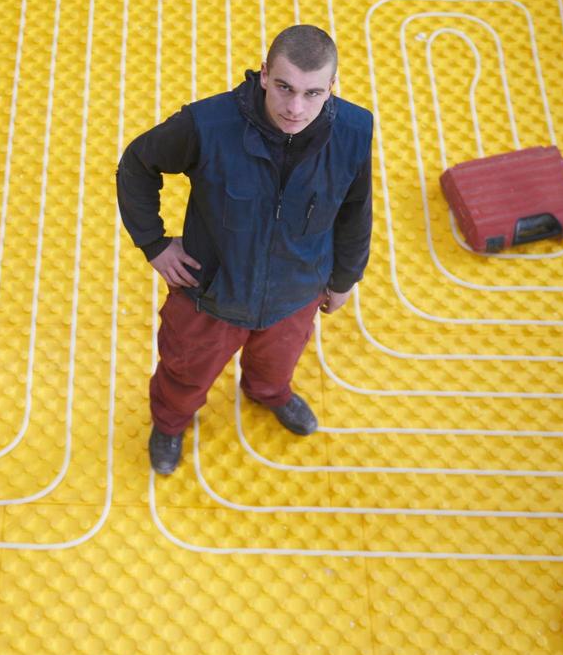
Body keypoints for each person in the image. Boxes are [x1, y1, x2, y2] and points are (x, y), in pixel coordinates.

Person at [116, 24, 374, 475]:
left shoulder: (354, 131)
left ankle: (269, 393)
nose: (296, 108)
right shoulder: (208, 126)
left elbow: (356, 209)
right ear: (263, 74)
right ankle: (170, 423)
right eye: (284, 87)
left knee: (278, 365)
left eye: (314, 93)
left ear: (332, 87)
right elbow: (137, 165)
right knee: (184, 373)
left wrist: (345, 278)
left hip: (296, 294)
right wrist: (154, 244)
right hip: (211, 294)